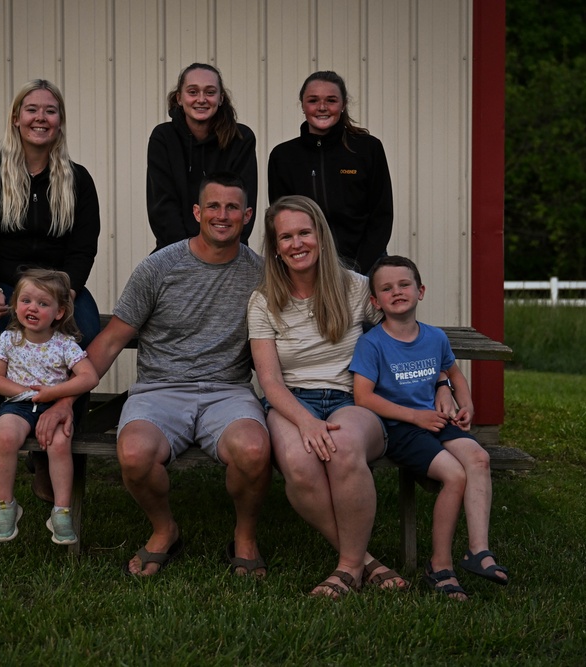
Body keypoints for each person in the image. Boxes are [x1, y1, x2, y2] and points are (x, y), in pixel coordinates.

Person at [44, 172, 271, 577]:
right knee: (132, 454)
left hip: (228, 392)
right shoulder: (159, 267)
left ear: (248, 215)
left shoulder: (262, 274)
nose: (223, 215)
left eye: (233, 207)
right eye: (213, 206)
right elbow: (112, 340)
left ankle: (245, 535)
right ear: (197, 212)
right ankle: (165, 529)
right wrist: (65, 399)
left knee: (254, 452)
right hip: (160, 390)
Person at [248, 195, 414, 598]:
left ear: (320, 236)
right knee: (300, 465)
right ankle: (367, 561)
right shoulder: (263, 300)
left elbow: (406, 340)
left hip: (351, 399)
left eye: (304, 232)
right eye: (285, 237)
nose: (296, 243)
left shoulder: (357, 290)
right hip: (290, 402)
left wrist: (442, 384)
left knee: (341, 449)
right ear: (274, 248)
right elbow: (269, 381)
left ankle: (346, 569)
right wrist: (306, 421)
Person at [0, 79, 101, 505]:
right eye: (32, 109)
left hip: (60, 288)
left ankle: (49, 451)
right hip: (1, 284)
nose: (41, 118)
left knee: (86, 337)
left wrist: (69, 293)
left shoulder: (78, 180)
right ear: (17, 118)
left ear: (60, 122)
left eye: (50, 111)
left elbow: (83, 246)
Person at [351, 255, 510, 601]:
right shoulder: (373, 343)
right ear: (375, 301)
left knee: (478, 458)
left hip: (436, 422)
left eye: (404, 284)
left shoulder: (435, 338)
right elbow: (363, 398)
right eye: (387, 288)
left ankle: (478, 551)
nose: (397, 292)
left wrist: (465, 406)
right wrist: (414, 417)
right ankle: (440, 565)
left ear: (420, 291)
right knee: (454, 474)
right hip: (401, 430)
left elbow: (452, 373)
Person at [0, 270, 99, 544]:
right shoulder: (10, 339)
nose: (32, 308)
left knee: (60, 443)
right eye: (26, 300)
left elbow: (89, 377)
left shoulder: (65, 345)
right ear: (15, 305)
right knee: (6, 435)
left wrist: (53, 393)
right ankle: (6, 506)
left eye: (43, 303)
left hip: (53, 409)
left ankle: (61, 511)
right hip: (18, 406)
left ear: (59, 312)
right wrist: (28, 394)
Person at [267, 71, 393, 274]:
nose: (322, 107)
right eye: (313, 100)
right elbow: (281, 220)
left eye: (331, 100)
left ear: (343, 105)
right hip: (309, 270)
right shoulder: (283, 156)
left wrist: (358, 270)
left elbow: (381, 216)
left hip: (365, 267)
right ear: (303, 105)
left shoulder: (367, 149)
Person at [146, 63, 258, 250]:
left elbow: (243, 202)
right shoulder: (163, 138)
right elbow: (162, 206)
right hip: (175, 250)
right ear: (179, 98)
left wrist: (219, 251)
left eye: (210, 92)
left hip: (228, 249)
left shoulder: (241, 138)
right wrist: (190, 254)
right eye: (193, 92)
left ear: (221, 98)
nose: (201, 99)